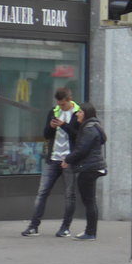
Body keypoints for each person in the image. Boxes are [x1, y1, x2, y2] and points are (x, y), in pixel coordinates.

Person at [22, 88, 80, 237]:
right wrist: (51, 127)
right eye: (59, 104)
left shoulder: (78, 113)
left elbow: (78, 135)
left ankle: (65, 228)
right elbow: (46, 135)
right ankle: (33, 226)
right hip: (53, 158)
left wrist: (63, 125)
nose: (60, 107)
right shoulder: (53, 111)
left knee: (69, 195)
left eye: (63, 104)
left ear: (69, 100)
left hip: (69, 160)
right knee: (42, 192)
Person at [62, 103, 106, 241]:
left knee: (89, 201)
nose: (77, 114)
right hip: (92, 167)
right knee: (90, 201)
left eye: (80, 112)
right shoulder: (94, 127)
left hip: (89, 168)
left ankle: (90, 232)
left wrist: (67, 160)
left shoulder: (88, 129)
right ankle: (90, 231)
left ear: (86, 113)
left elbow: (82, 149)